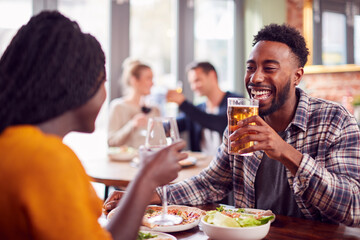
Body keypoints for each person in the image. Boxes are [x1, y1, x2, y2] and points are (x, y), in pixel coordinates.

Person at [104, 24, 360, 227]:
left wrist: (286, 153)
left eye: (269, 68)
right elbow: (210, 183)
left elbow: (353, 207)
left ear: (297, 76)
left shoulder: (333, 121)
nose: (256, 78)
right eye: (251, 68)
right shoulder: (241, 121)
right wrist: (147, 195)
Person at [0, 11, 187, 240]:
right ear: (78, 85)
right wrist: (147, 179)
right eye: (103, 81)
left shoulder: (12, 143)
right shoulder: (46, 159)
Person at [167, 61, 241, 155]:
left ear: (212, 76)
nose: (193, 87)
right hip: (203, 166)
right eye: (191, 83)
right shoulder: (198, 109)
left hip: (228, 167)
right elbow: (172, 125)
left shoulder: (236, 102)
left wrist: (183, 104)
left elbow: (220, 123)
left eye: (197, 80)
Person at [108, 59, 160, 149]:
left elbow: (159, 143)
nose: (152, 83)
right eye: (148, 78)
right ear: (134, 80)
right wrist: (132, 124)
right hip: (126, 162)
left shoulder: (154, 109)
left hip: (150, 161)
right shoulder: (118, 107)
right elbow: (111, 142)